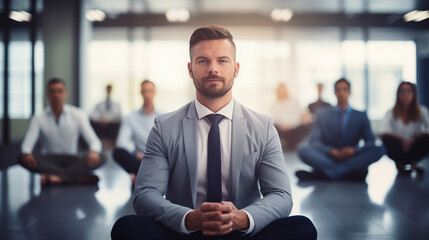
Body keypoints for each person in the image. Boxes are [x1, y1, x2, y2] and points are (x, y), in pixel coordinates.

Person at [111, 25, 317, 240]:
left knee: (303, 228)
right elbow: (145, 195)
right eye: (203, 61)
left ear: (236, 69)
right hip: (185, 231)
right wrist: (189, 218)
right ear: (190, 69)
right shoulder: (165, 126)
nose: (213, 69)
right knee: (126, 228)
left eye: (222, 60)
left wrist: (243, 218)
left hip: (240, 232)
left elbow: (281, 195)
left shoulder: (262, 126)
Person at [296, 78, 385, 181]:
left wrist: (355, 150)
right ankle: (347, 173)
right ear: (334, 92)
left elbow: (370, 142)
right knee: (303, 150)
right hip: (328, 157)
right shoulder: (322, 114)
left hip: (351, 156)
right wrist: (331, 151)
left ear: (349, 92)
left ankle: (326, 173)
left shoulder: (361, 115)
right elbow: (314, 141)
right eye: (338, 90)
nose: (341, 93)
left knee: (380, 149)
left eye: (344, 89)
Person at [20, 78, 104, 185]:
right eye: (52, 91)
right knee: (21, 158)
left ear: (65, 94)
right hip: (49, 161)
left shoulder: (78, 114)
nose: (56, 95)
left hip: (72, 160)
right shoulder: (38, 118)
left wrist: (94, 151)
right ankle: (76, 178)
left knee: (102, 156)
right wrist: (26, 154)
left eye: (60, 91)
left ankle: (57, 177)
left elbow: (95, 142)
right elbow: (27, 145)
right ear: (47, 95)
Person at [112, 80, 158, 185]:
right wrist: (136, 153)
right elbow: (121, 142)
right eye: (145, 91)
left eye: (150, 91)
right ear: (141, 93)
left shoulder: (163, 116)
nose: (147, 95)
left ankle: (140, 175)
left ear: (155, 92)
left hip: (157, 157)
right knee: (118, 153)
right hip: (138, 158)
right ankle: (149, 176)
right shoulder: (131, 117)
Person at [380, 81, 429, 174]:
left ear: (414, 94)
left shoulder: (422, 111)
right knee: (386, 140)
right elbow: (383, 131)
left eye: (408, 91)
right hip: (398, 148)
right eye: (402, 91)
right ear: (398, 94)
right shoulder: (391, 112)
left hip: (414, 146)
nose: (405, 94)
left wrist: (414, 139)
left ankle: (413, 161)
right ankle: (399, 163)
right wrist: (402, 140)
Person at [271, 83, 312, 150]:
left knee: (305, 126)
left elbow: (303, 112)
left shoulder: (294, 101)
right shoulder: (274, 104)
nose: (282, 92)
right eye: (280, 91)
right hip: (281, 129)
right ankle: (288, 143)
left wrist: (306, 117)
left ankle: (293, 143)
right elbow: (274, 119)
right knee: (273, 127)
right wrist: (282, 126)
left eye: (283, 90)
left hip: (296, 128)